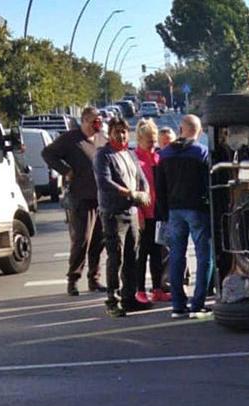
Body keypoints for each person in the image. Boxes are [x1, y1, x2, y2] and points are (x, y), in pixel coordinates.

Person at [41, 107, 106, 296]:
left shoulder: (101, 139)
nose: (98, 124)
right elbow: (48, 154)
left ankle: (94, 279)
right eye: (94, 121)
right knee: (82, 239)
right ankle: (73, 279)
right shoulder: (71, 139)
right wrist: (66, 171)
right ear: (85, 121)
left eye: (100, 120)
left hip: (101, 197)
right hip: (81, 197)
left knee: (98, 241)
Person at [93, 117, 153, 317]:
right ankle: (113, 300)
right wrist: (130, 193)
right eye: (117, 131)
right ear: (109, 133)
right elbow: (104, 183)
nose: (121, 135)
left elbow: (141, 179)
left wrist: (143, 193)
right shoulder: (104, 155)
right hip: (113, 213)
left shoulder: (129, 154)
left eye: (124, 131)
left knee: (132, 258)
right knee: (115, 257)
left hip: (132, 213)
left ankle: (129, 297)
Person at [155, 115, 212, 319]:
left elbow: (159, 187)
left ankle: (178, 304)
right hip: (197, 208)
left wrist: (163, 213)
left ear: (181, 129)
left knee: (177, 255)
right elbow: (209, 185)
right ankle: (198, 303)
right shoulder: (201, 152)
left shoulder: (165, 153)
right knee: (204, 255)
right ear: (199, 131)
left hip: (173, 210)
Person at [134, 119, 171, 304]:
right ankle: (139, 289)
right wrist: (139, 214)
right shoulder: (136, 160)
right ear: (140, 139)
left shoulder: (158, 158)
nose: (153, 144)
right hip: (143, 214)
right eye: (150, 141)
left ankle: (157, 288)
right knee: (142, 255)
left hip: (158, 213)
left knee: (158, 253)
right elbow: (134, 190)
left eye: (154, 141)